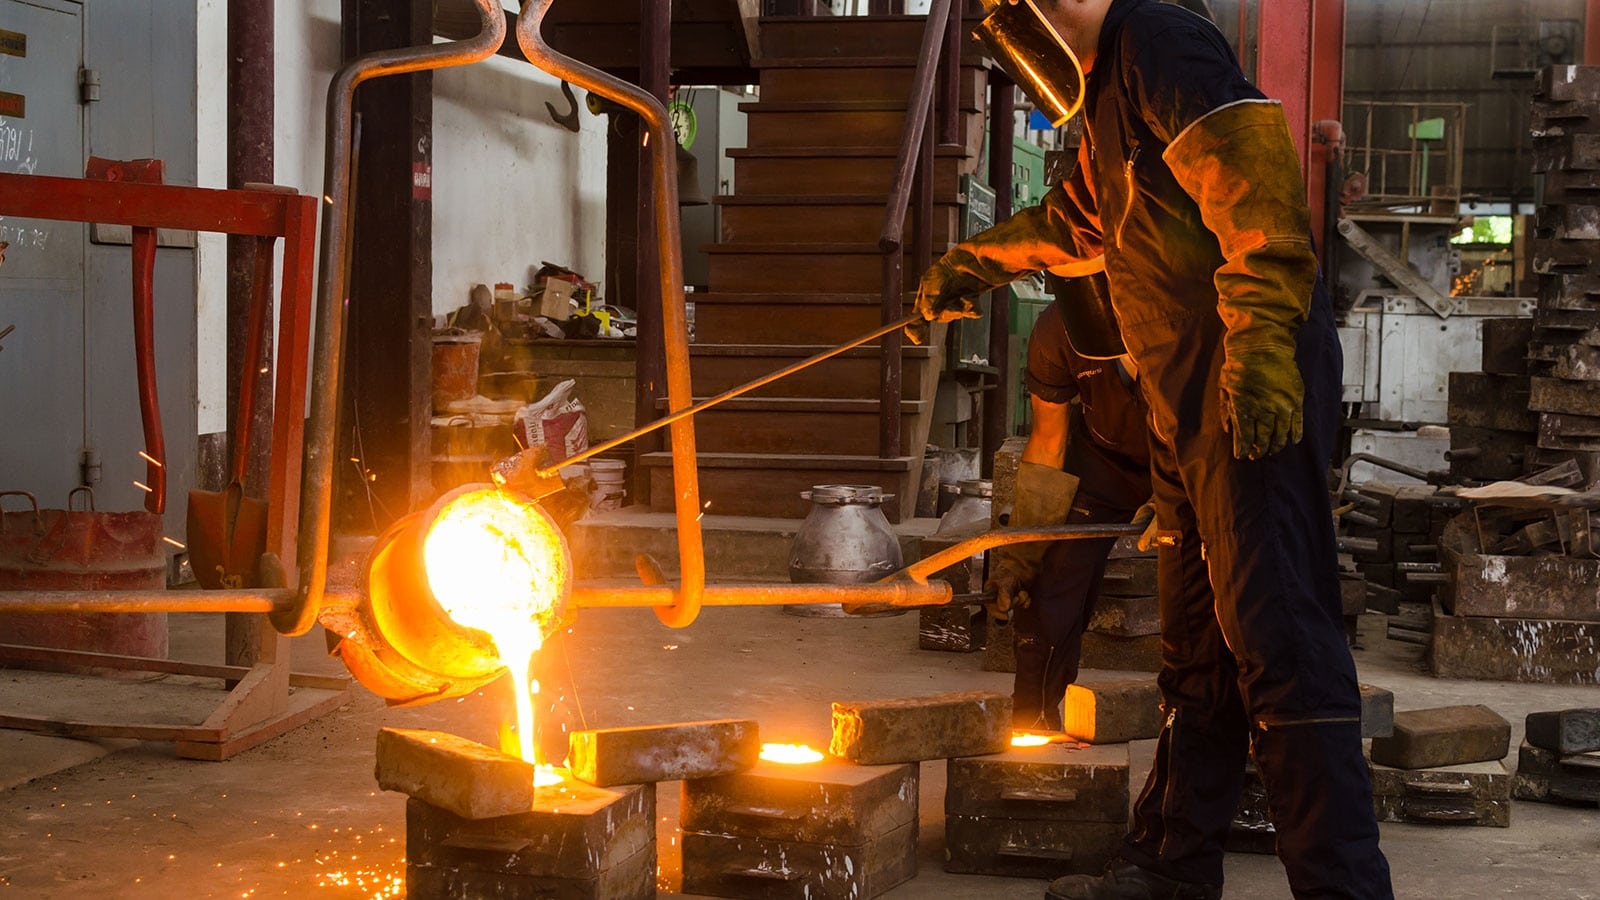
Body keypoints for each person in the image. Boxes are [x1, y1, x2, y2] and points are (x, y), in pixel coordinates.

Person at [918, 1, 1394, 898]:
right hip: (1183, 400)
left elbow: (1251, 175)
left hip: (1245, 387)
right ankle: (1173, 868)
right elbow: (1082, 222)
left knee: (1282, 639)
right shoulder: (1109, 86)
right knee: (1197, 649)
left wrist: (1261, 347)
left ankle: (1344, 888)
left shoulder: (1158, 38)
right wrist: (982, 259)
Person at [989, 267, 1152, 733]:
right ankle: (1032, 720)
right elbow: (1047, 443)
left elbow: (1209, 430)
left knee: (1202, 592)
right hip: (1101, 460)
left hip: (1188, 459)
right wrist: (1022, 554)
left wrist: (1178, 496)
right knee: (1052, 582)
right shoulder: (1057, 331)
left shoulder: (1184, 321)